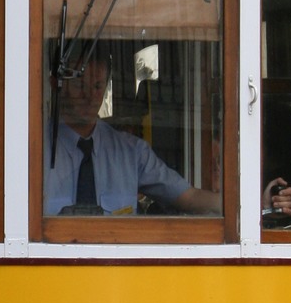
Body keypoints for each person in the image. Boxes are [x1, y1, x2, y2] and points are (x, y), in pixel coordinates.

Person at [44, 55, 220, 216]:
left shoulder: (131, 152)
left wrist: (240, 205)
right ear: (56, 84)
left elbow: (188, 197)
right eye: (79, 85)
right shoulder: (34, 150)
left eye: (97, 86)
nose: (90, 96)